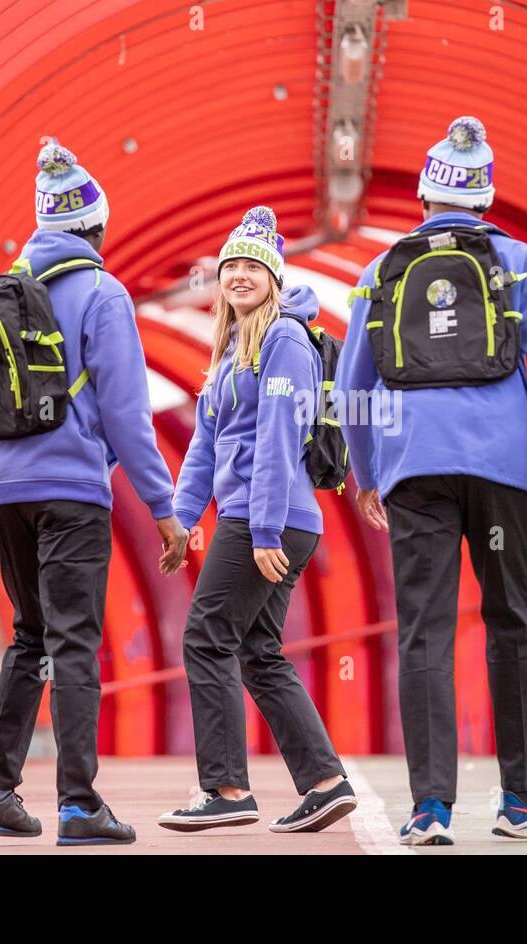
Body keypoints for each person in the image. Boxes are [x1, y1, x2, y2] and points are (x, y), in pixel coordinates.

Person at [337, 117, 527, 845]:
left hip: (416, 465)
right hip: (506, 468)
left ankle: (430, 809)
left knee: (424, 630)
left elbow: (352, 383)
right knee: (509, 618)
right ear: (485, 199)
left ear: (423, 196)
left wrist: (367, 472)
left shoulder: (380, 270)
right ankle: (521, 800)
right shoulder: (520, 262)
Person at [0, 141, 189, 846]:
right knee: (75, 643)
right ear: (96, 227)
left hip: (3, 488)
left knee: (30, 635)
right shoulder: (101, 293)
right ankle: (79, 805)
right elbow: (126, 413)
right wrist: (164, 509)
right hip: (70, 495)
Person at [157, 206, 357, 834]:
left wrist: (264, 529)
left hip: (268, 518)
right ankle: (326, 784)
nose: (239, 276)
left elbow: (278, 436)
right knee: (257, 651)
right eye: (230, 267)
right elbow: (204, 447)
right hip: (255, 515)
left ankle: (226, 789)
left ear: (273, 276)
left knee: (205, 638)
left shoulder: (285, 340)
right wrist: (182, 519)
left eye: (252, 266)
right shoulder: (226, 354)